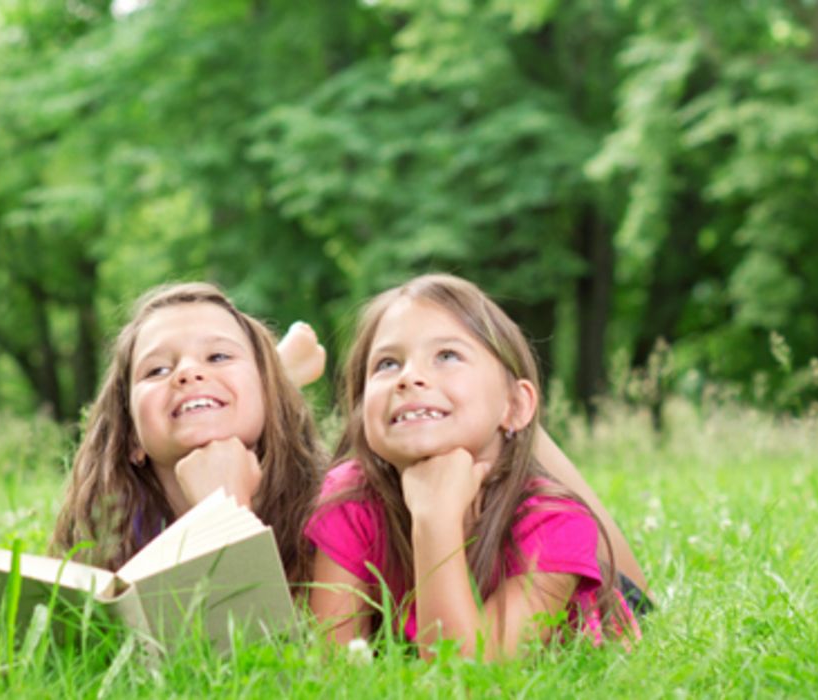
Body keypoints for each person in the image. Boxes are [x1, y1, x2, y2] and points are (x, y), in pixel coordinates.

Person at [308, 274, 642, 659]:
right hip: (499, 422)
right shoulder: (349, 496)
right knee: (477, 423)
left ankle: (515, 425)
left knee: (584, 530)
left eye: (447, 355)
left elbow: (469, 679)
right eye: (387, 363)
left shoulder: (556, 524)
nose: (408, 377)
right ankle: (489, 421)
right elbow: (331, 663)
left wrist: (435, 520)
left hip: (608, 602)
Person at [51, 282, 325, 585]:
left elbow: (267, 630)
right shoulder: (119, 533)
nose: (187, 372)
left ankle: (282, 373)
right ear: (130, 435)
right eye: (156, 370)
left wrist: (223, 507)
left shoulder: (323, 516)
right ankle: (283, 369)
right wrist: (221, 506)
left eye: (218, 357)